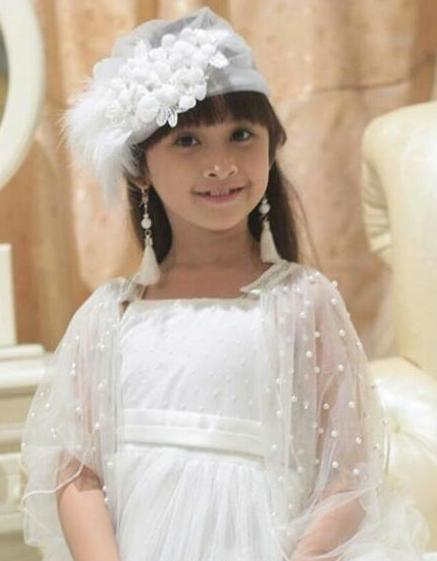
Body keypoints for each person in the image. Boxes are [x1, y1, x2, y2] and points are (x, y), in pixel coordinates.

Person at [19, 6, 429, 561]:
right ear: (139, 169)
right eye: (188, 141)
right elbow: (77, 470)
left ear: (272, 146)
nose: (221, 165)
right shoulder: (110, 315)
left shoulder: (302, 300)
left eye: (240, 135)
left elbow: (347, 472)